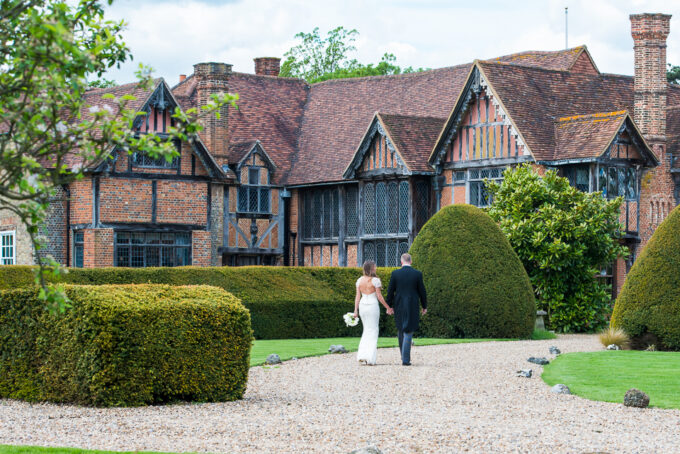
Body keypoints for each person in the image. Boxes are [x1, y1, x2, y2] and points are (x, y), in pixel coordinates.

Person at [386, 253, 427, 366]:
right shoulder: (417, 274)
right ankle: (405, 359)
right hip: (412, 304)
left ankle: (403, 356)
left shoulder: (395, 273)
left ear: (401, 262)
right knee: (409, 329)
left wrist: (389, 306)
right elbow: (422, 292)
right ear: (411, 261)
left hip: (399, 304)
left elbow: (390, 291)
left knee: (400, 329)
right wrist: (424, 306)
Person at [354, 260, 393, 365]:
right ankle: (369, 358)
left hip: (362, 306)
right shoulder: (375, 281)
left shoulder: (359, 280)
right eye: (374, 267)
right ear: (371, 268)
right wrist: (388, 307)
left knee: (366, 330)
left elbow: (358, 297)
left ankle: (362, 355)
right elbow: (379, 297)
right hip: (372, 306)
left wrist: (355, 310)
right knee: (373, 330)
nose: (375, 268)